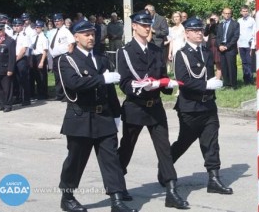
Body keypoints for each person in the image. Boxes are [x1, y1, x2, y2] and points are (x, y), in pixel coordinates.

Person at [57, 20, 137, 212]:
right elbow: (74, 83)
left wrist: (116, 114)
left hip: (103, 116)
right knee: (76, 160)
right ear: (76, 37)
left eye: (92, 33)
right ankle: (67, 197)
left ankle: (117, 200)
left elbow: (109, 91)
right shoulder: (67, 60)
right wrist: (101, 78)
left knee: (111, 160)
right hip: (80, 117)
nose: (91, 37)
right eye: (86, 34)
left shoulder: (101, 58)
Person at [117, 12, 189, 209]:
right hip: (135, 106)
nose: (146, 28)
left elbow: (162, 76)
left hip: (155, 107)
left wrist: (168, 84)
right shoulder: (125, 51)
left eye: (148, 24)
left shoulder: (156, 51)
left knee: (164, 149)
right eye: (142, 24)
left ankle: (171, 190)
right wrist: (140, 87)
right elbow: (124, 82)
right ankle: (117, 184)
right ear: (134, 27)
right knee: (127, 147)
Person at [171, 16, 233, 195]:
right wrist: (205, 85)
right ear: (187, 33)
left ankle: (214, 179)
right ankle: (166, 166)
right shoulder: (181, 54)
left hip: (208, 106)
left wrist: (213, 85)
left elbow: (209, 75)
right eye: (195, 30)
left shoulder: (205, 52)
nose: (200, 33)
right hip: (190, 106)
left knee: (211, 142)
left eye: (201, 30)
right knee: (184, 141)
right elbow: (183, 80)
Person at [49, 13, 75, 101]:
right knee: (57, 77)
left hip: (63, 56)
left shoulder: (65, 31)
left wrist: (68, 55)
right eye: (55, 21)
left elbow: (72, 42)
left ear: (62, 21)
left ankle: (66, 95)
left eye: (58, 20)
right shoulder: (54, 31)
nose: (56, 22)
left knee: (63, 76)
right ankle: (59, 94)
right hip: (55, 57)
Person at [0, 22, 16, 112]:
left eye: (0, 29)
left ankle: (8, 105)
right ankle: (2, 104)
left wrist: (10, 69)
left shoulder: (10, 41)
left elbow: (12, 57)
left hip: (5, 69)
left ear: (4, 30)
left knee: (7, 88)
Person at [216, 7, 240, 88]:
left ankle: (233, 84)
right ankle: (226, 84)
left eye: (228, 13)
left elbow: (235, 37)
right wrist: (219, 45)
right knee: (224, 66)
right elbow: (218, 37)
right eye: (225, 13)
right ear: (223, 14)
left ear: (231, 14)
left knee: (231, 67)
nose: (227, 15)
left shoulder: (235, 24)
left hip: (230, 49)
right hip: (221, 48)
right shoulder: (220, 25)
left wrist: (227, 46)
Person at [12, 18, 31, 106]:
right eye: (14, 25)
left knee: (23, 79)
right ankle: (18, 98)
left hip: (21, 59)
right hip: (14, 59)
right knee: (16, 80)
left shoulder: (24, 36)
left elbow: (23, 50)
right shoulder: (14, 36)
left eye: (18, 25)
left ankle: (26, 99)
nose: (16, 27)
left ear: (22, 26)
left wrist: (15, 60)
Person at [30, 20, 49, 100]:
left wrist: (42, 61)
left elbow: (45, 50)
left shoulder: (44, 37)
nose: (36, 29)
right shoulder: (34, 37)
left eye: (38, 27)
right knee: (36, 76)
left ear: (41, 28)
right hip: (34, 57)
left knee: (42, 76)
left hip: (40, 56)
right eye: (35, 27)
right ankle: (37, 93)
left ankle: (43, 94)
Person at [237, 5, 256, 85]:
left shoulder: (252, 20)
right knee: (244, 62)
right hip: (241, 44)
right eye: (243, 11)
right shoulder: (239, 21)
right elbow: (238, 33)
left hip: (249, 44)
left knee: (249, 62)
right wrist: (237, 45)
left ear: (248, 12)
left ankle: (250, 78)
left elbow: (254, 33)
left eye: (246, 11)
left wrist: (253, 46)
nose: (245, 13)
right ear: (241, 12)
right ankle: (245, 78)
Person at [203, 13, 222, 79]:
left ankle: (218, 79)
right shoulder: (210, 25)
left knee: (218, 63)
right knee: (210, 62)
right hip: (210, 44)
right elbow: (205, 34)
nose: (213, 20)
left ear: (218, 18)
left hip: (217, 45)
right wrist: (208, 24)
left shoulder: (220, 25)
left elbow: (217, 32)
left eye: (215, 18)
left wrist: (214, 24)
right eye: (212, 19)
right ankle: (212, 78)